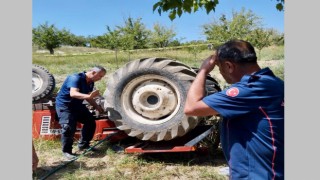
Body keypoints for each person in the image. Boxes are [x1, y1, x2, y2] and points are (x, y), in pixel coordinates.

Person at [184, 40, 284, 179]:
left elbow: (191, 108)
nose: (220, 72)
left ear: (229, 66)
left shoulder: (250, 89)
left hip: (257, 175)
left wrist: (203, 70)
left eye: (219, 67)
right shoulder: (274, 83)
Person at [55, 65, 106, 160]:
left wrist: (97, 107)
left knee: (90, 121)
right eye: (100, 76)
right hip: (65, 106)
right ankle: (67, 152)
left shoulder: (90, 82)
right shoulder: (75, 78)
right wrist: (89, 96)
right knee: (68, 128)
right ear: (93, 73)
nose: (100, 79)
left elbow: (88, 96)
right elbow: (73, 93)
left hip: (77, 105)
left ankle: (84, 145)